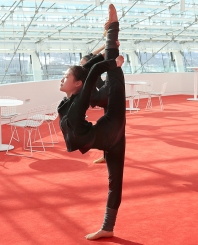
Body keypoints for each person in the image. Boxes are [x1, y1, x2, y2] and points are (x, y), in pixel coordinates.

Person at [58, 4, 125, 240]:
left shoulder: (77, 102)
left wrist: (113, 61)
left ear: (76, 83)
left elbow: (93, 70)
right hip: (109, 132)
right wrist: (109, 50)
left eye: (66, 76)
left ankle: (113, 29)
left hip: (109, 120)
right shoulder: (70, 101)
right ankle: (108, 226)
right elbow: (88, 68)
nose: (62, 77)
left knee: (111, 76)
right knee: (114, 181)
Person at [80, 45, 109, 164]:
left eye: (82, 63)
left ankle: (107, 155)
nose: (81, 65)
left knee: (106, 129)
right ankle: (107, 155)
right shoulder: (88, 68)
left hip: (103, 95)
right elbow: (93, 54)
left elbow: (93, 56)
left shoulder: (90, 68)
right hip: (102, 94)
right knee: (106, 129)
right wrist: (105, 45)